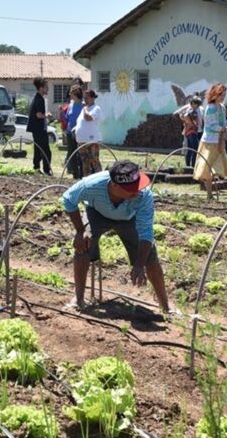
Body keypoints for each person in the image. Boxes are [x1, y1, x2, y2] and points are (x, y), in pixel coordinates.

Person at [62, 160, 169, 313]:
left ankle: (165, 307)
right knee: (83, 246)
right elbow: (68, 199)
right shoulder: (92, 185)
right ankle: (78, 299)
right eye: (131, 189)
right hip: (96, 212)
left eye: (137, 186)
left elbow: (146, 232)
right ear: (114, 185)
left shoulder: (143, 195)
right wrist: (80, 231)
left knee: (150, 257)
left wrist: (139, 265)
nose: (137, 191)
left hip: (128, 219)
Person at [194, 83, 227, 200]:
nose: (222, 97)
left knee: (218, 167)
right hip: (209, 141)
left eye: (224, 95)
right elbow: (210, 125)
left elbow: (223, 122)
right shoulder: (210, 108)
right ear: (214, 94)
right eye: (220, 94)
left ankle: (213, 192)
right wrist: (221, 129)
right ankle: (209, 194)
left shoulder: (221, 107)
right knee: (207, 168)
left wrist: (224, 128)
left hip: (219, 140)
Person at [73, 89, 103, 176]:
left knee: (94, 161)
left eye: (87, 98)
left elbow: (88, 118)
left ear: (93, 98)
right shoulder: (84, 110)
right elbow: (80, 121)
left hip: (92, 140)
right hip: (82, 141)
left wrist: (85, 108)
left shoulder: (96, 108)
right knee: (85, 163)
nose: (85, 100)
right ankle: (87, 181)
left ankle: (100, 179)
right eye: (84, 98)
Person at [28, 77, 53, 175]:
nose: (48, 89)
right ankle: (46, 170)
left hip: (36, 128)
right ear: (41, 88)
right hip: (39, 129)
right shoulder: (40, 99)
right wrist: (47, 115)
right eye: (46, 87)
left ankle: (36, 168)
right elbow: (38, 115)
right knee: (46, 151)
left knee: (38, 149)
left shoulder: (37, 97)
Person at [173, 96, 203, 168]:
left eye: (199, 104)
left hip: (190, 132)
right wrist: (186, 123)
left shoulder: (191, 111)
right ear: (192, 103)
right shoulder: (191, 111)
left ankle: (188, 166)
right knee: (194, 149)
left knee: (190, 149)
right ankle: (192, 166)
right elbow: (180, 116)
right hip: (192, 132)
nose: (198, 106)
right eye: (197, 104)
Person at [64, 85, 84, 178]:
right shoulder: (71, 105)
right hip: (69, 132)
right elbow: (67, 118)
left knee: (80, 153)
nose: (69, 94)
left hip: (79, 132)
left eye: (71, 92)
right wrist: (61, 113)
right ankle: (75, 174)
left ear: (75, 94)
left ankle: (82, 173)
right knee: (71, 153)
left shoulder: (83, 106)